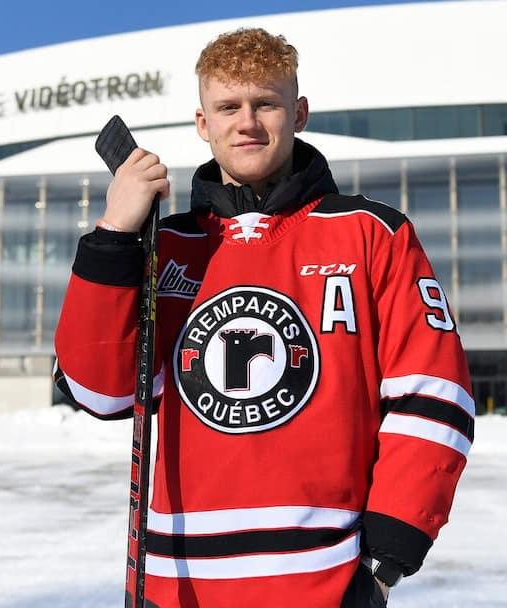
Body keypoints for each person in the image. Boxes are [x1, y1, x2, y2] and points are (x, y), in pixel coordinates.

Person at [53, 28, 475, 608]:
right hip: (177, 586)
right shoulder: (164, 247)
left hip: (323, 580)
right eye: (228, 107)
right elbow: (99, 394)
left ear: (298, 113)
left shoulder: (373, 233)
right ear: (203, 123)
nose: (246, 122)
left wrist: (387, 554)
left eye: (265, 104)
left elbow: (432, 397)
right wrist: (113, 237)